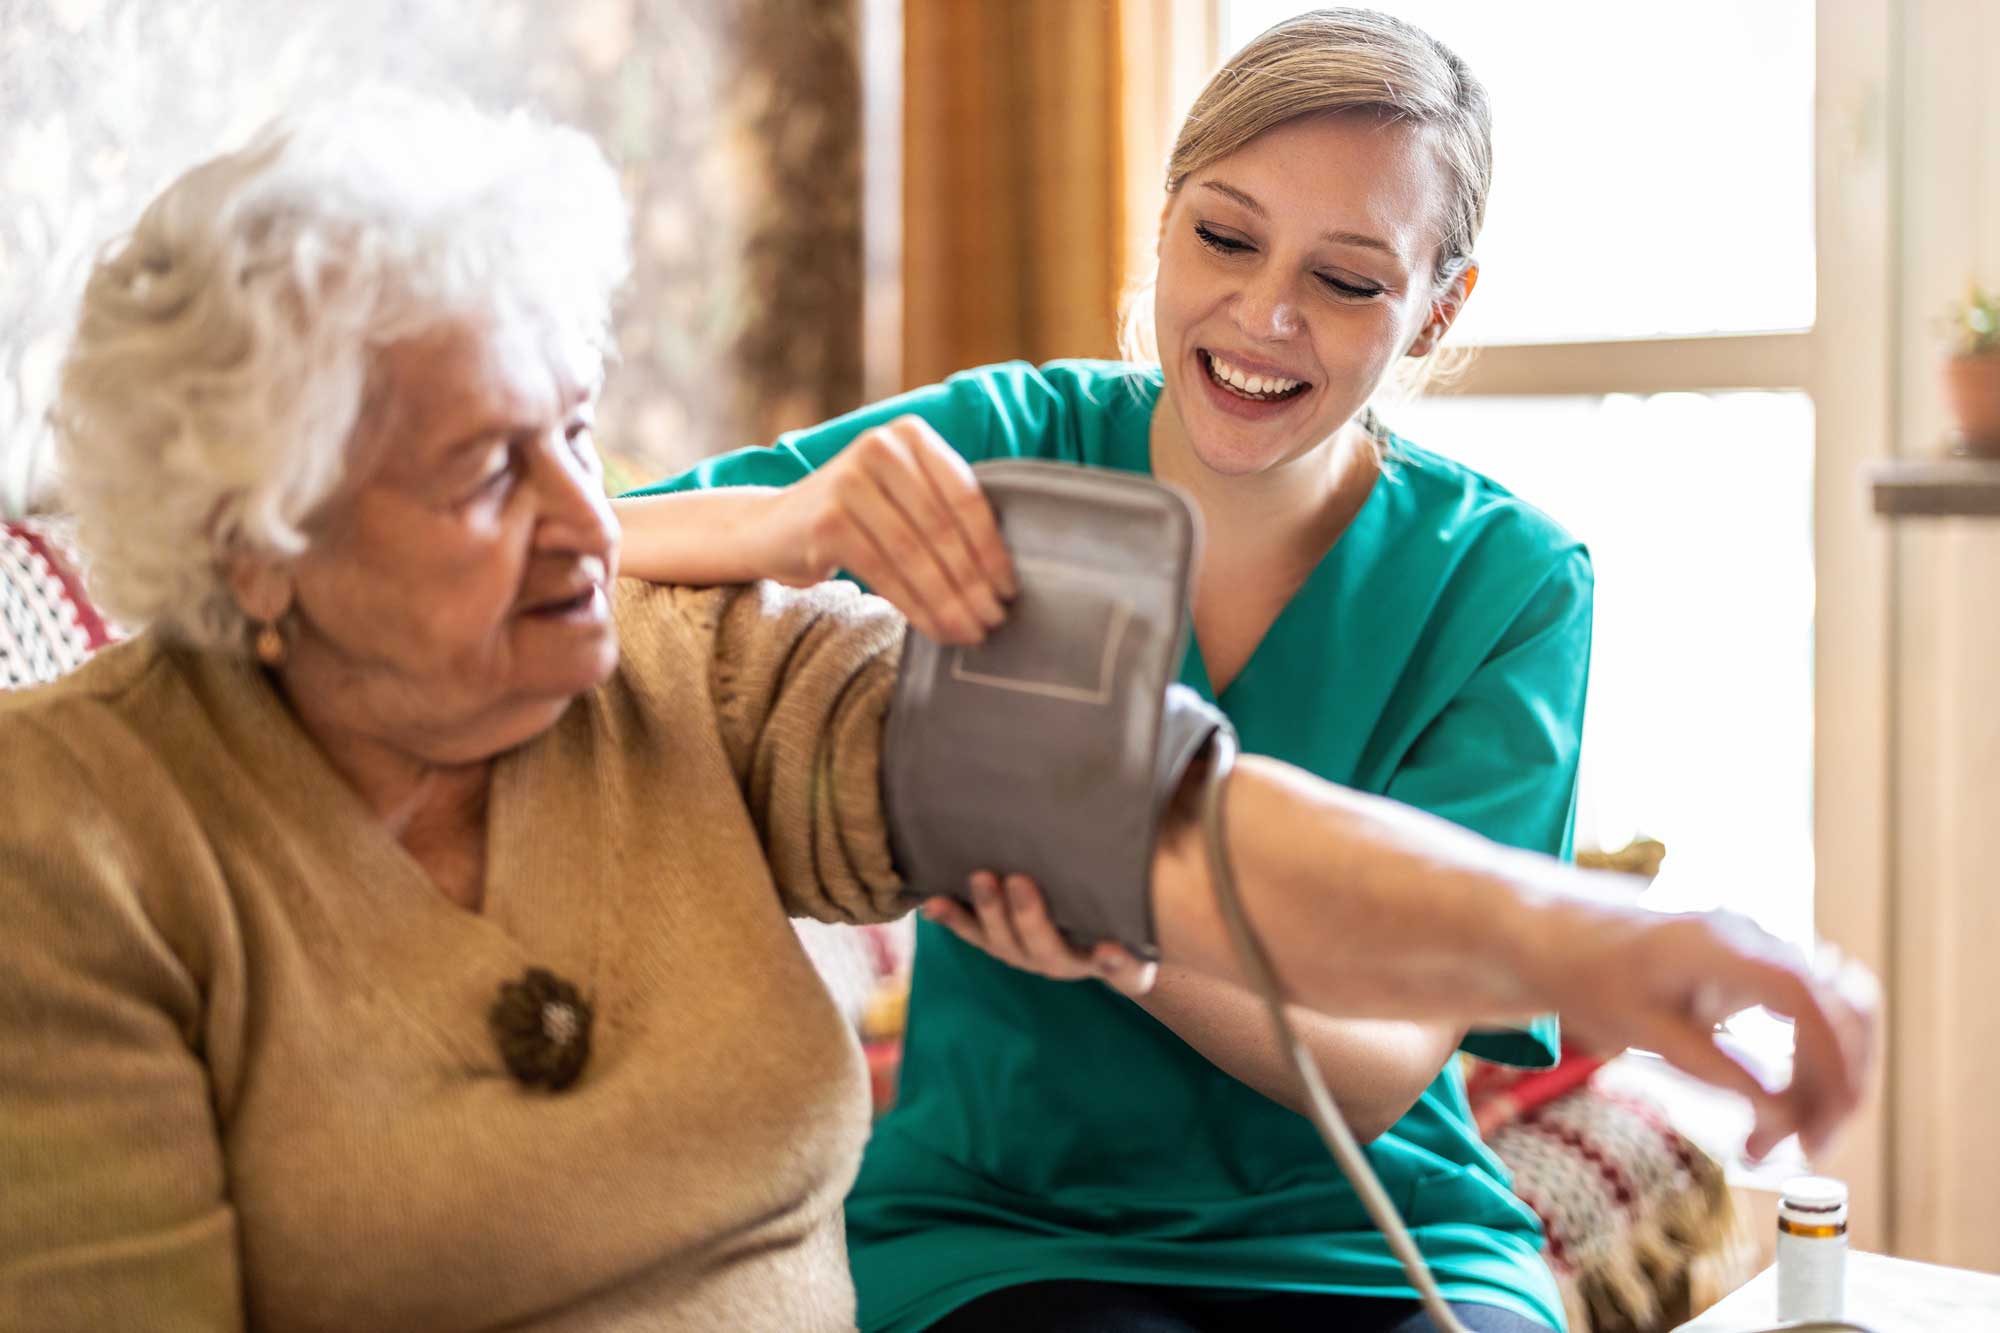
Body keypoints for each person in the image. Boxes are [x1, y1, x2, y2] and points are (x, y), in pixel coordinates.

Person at [0, 91, 1874, 1333]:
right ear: (263, 540)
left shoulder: (698, 674)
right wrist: (811, 517)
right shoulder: (81, 838)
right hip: (1014, 1230)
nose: (595, 524)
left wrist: (1603, 934)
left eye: (583, 430)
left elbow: (1155, 817)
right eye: (498, 472)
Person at [610, 10, 1758, 1333]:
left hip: (1386, 1241)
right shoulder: (1001, 444)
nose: (1265, 315)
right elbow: (579, 539)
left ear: (1442, 306)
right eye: (1224, 237)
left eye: (1348, 280)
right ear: (1161, 225)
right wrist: (796, 520)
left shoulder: (1512, 584)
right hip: (1009, 1227)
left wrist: (1129, 944)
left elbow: (1383, 1068)